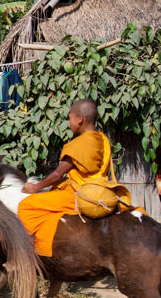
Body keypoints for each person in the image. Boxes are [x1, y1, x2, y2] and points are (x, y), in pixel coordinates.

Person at [18, 99, 122, 257]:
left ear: (80, 119)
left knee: (26, 205)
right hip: (98, 189)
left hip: (79, 194)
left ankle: (27, 255)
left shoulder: (79, 145)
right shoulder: (100, 139)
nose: (68, 123)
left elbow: (57, 174)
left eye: (70, 118)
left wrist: (35, 187)